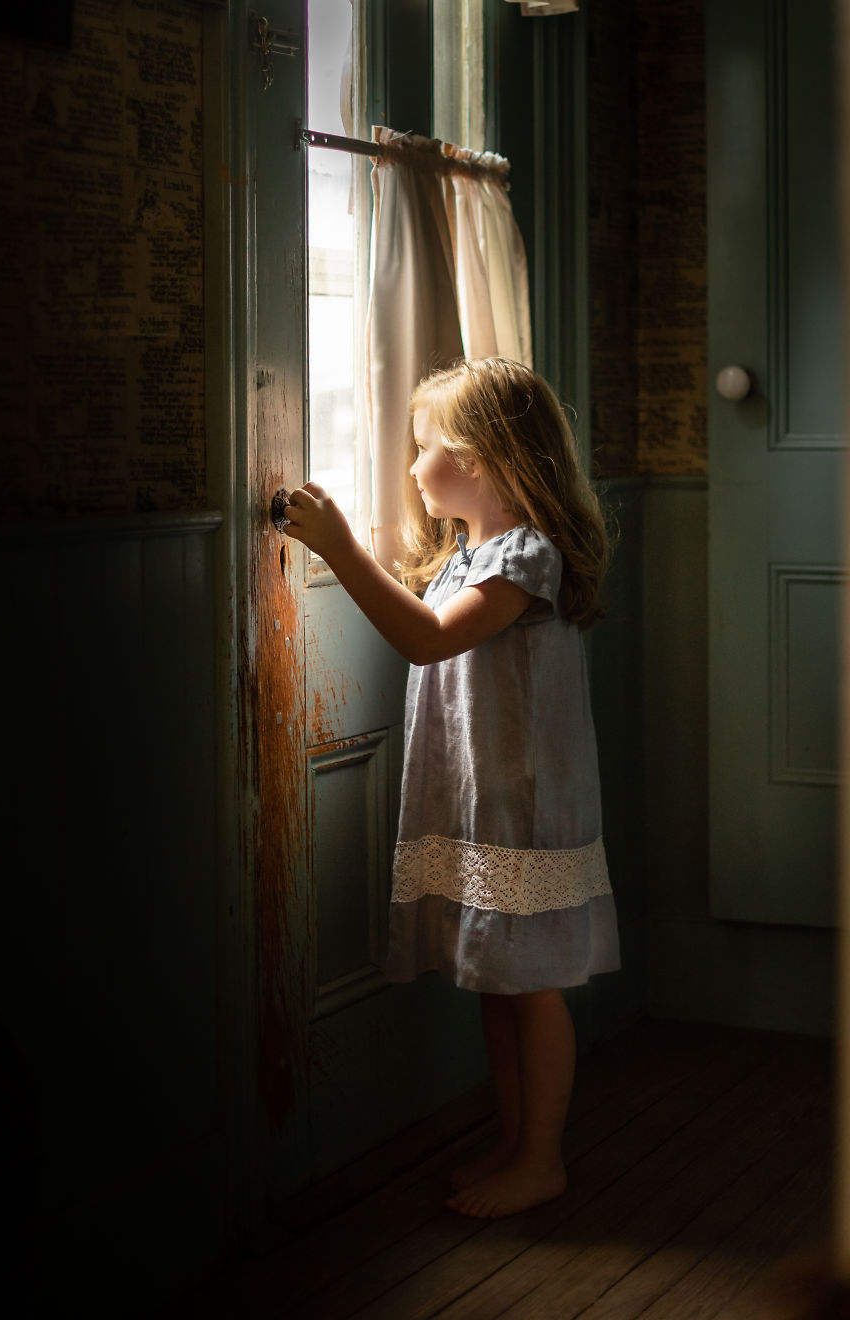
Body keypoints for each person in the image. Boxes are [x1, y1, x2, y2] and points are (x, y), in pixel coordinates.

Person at [283, 356, 620, 1219]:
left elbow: (429, 642)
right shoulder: (473, 553)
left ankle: (541, 1156)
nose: (410, 465)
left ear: (486, 459)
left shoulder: (525, 559)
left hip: (525, 804)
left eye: (424, 446)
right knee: (501, 983)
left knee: (531, 986)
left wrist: (341, 546)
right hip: (487, 799)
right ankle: (515, 1144)